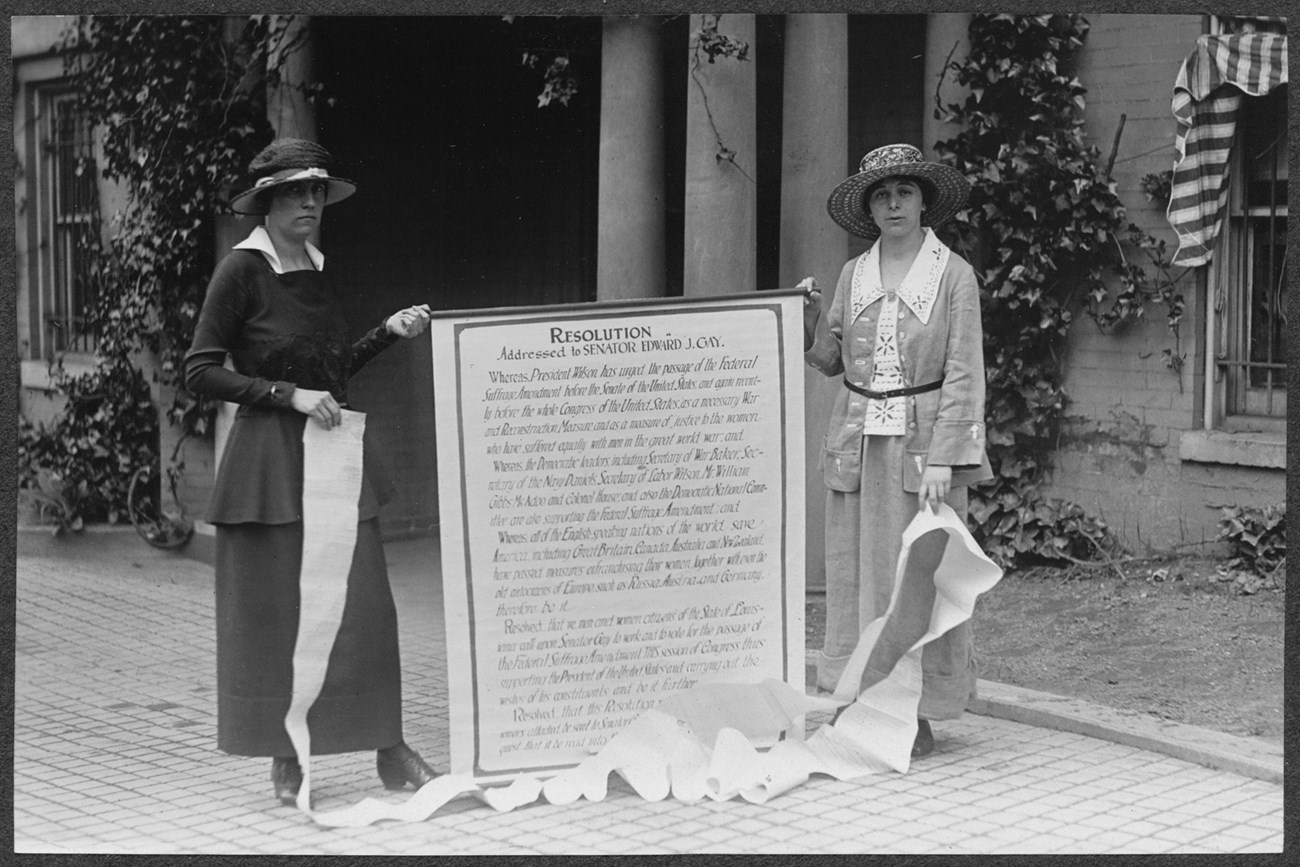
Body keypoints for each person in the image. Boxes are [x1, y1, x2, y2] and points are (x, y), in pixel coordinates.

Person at [185, 138, 438, 805]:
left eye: (317, 191)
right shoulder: (240, 270)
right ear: (266, 200)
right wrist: (283, 395)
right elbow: (199, 369)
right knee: (279, 612)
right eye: (296, 191)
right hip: (269, 464)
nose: (310, 202)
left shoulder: (317, 265)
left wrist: (388, 331)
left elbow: (326, 375)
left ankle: (390, 747)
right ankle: (285, 754)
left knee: (366, 608)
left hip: (333, 454)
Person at [802, 143, 992, 758]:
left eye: (904, 192)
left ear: (923, 200)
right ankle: (858, 700)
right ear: (869, 207)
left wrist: (945, 458)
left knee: (918, 580)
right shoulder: (852, 275)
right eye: (881, 195)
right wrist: (807, 321)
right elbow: (833, 360)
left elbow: (965, 371)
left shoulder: (954, 274)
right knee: (858, 577)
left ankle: (916, 711)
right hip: (859, 450)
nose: (893, 204)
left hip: (924, 458)